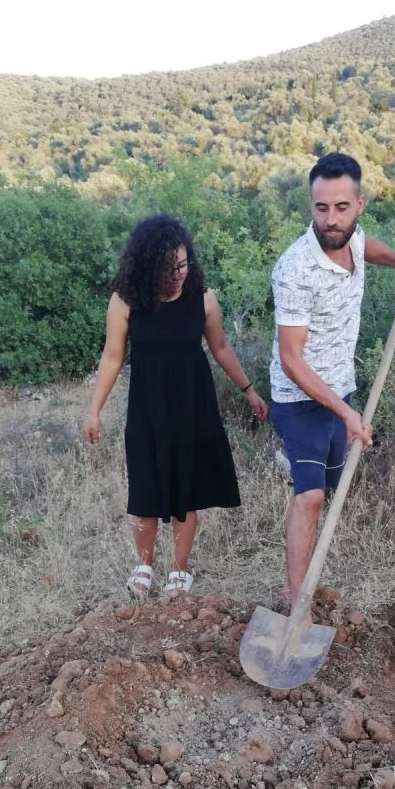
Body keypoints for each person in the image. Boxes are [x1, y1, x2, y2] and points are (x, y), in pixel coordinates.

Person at [269, 152, 395, 608]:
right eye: (321, 208)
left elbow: (367, 245)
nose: (331, 220)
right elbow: (292, 361)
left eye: (341, 207)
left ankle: (303, 574)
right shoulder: (296, 269)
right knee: (311, 497)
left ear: (359, 205)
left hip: (341, 386)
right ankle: (296, 601)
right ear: (311, 206)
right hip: (298, 398)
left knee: (332, 486)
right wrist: (347, 414)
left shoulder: (351, 239)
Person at [84, 214, 267, 598]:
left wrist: (249, 390)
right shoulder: (125, 301)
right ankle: (143, 567)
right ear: (149, 266)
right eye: (170, 268)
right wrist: (94, 410)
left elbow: (220, 348)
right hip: (147, 406)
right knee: (145, 486)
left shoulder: (203, 298)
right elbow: (112, 358)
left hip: (192, 405)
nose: (180, 273)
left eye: (184, 264)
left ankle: (179, 571)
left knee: (188, 488)